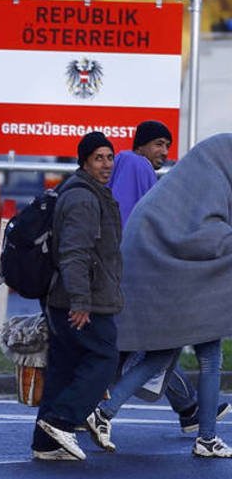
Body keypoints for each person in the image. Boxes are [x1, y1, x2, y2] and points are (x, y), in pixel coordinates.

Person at [88, 121, 230, 451]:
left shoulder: (183, 183)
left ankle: (105, 412)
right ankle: (206, 437)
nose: (164, 152)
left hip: (166, 282)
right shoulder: (145, 169)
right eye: (158, 144)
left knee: (162, 355)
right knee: (208, 361)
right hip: (188, 285)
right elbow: (207, 236)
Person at [31, 131, 122, 461]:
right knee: (105, 357)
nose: (107, 164)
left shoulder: (88, 192)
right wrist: (81, 301)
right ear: (84, 160)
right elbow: (75, 253)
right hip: (83, 301)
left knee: (64, 369)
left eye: (110, 157)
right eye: (99, 157)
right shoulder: (84, 198)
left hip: (67, 298)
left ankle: (46, 444)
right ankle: (62, 420)